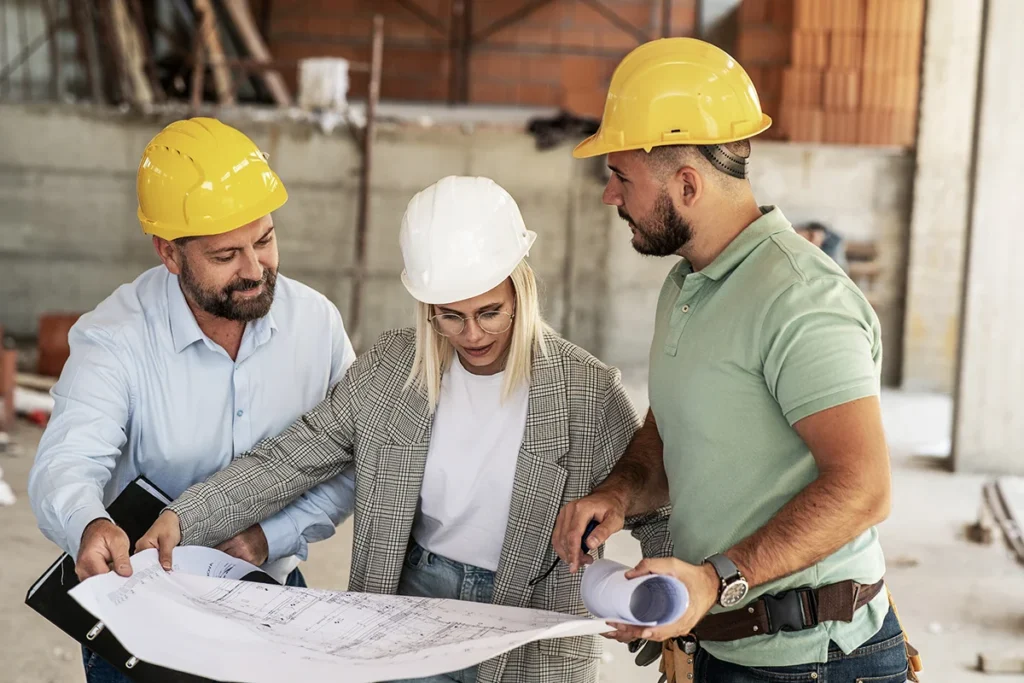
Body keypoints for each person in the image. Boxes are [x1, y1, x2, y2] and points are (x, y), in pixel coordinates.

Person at [137, 175, 673, 683]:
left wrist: (660, 595)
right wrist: (184, 518)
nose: (473, 335)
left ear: (521, 290)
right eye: (449, 316)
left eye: (491, 311)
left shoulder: (587, 393)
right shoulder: (391, 371)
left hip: (533, 630)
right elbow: (289, 459)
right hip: (410, 608)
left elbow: (653, 505)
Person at [552, 38, 921, 682]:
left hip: (812, 661)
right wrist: (621, 491)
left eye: (621, 177)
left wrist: (715, 579)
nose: (611, 197)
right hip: (719, 649)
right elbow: (677, 424)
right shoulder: (688, 285)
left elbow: (863, 488)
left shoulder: (803, 300)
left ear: (687, 184)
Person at [27, 117, 358, 683]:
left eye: (265, 239)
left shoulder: (316, 324)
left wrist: (267, 538)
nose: (256, 270)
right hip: (143, 616)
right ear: (170, 253)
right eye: (226, 255)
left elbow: (349, 458)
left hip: (271, 599)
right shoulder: (116, 337)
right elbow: (66, 462)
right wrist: (88, 523)